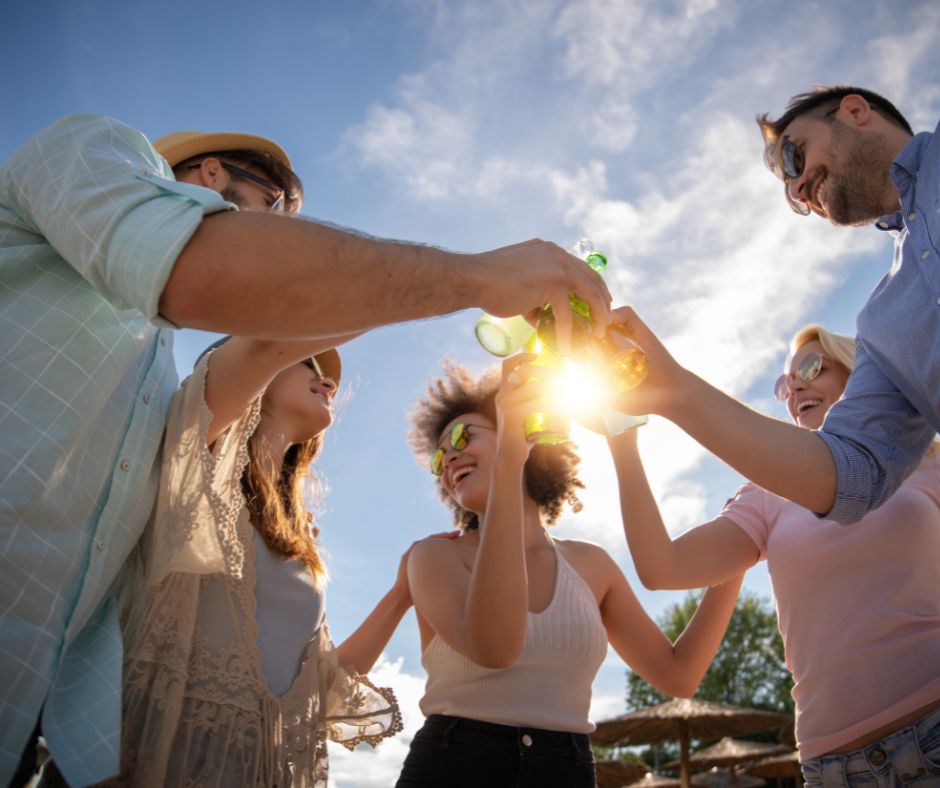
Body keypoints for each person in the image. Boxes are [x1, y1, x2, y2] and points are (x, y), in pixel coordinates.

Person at [0, 114, 611, 785]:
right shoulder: (95, 155)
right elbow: (258, 310)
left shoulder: (152, 383)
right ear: (210, 176)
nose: (323, 372)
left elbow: (307, 680)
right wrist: (478, 277)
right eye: (276, 208)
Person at [67, 335, 422, 788]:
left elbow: (321, 683)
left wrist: (400, 596)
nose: (328, 380)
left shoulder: (302, 551)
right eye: (307, 360)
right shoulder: (194, 466)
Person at [614, 324, 940, 786]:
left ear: (857, 371)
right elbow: (661, 567)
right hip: (833, 767)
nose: (796, 387)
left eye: (811, 367)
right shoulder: (768, 493)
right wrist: (621, 438)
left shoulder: (926, 458)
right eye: (786, 383)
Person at [395, 356, 744, 787]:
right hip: (454, 766)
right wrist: (506, 462)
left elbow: (678, 674)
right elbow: (495, 649)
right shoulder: (432, 558)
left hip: (567, 769)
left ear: (524, 427)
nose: (449, 457)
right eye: (439, 455)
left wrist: (739, 552)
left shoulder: (592, 564)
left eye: (465, 436)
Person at [608, 85, 939, 526]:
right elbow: (851, 472)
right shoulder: (881, 325)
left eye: (793, 158)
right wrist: (672, 390)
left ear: (856, 111)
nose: (800, 189)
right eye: (790, 193)